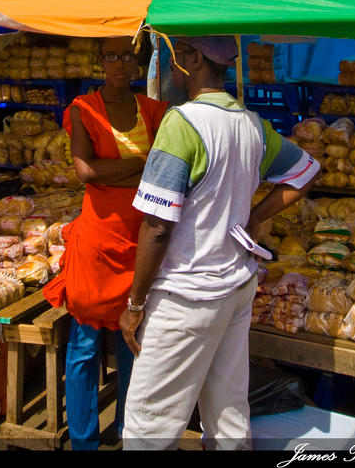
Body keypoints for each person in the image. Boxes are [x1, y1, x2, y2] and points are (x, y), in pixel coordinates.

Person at [119, 35, 321, 452]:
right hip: (235, 285)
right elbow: (304, 170)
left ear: (193, 60)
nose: (171, 68)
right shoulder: (251, 123)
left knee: (147, 427)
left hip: (187, 295)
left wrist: (135, 305)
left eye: (174, 58)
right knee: (227, 412)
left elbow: (157, 227)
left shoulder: (183, 123)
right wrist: (255, 216)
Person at [42, 35, 170, 451]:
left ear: (139, 63)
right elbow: (86, 172)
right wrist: (142, 167)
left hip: (142, 240)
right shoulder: (83, 108)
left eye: (127, 57)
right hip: (97, 242)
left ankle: (127, 433)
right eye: (111, 56)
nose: (119, 64)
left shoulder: (154, 110)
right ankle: (83, 440)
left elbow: (160, 170)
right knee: (83, 346)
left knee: (132, 340)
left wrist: (115, 170)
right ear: (100, 61)